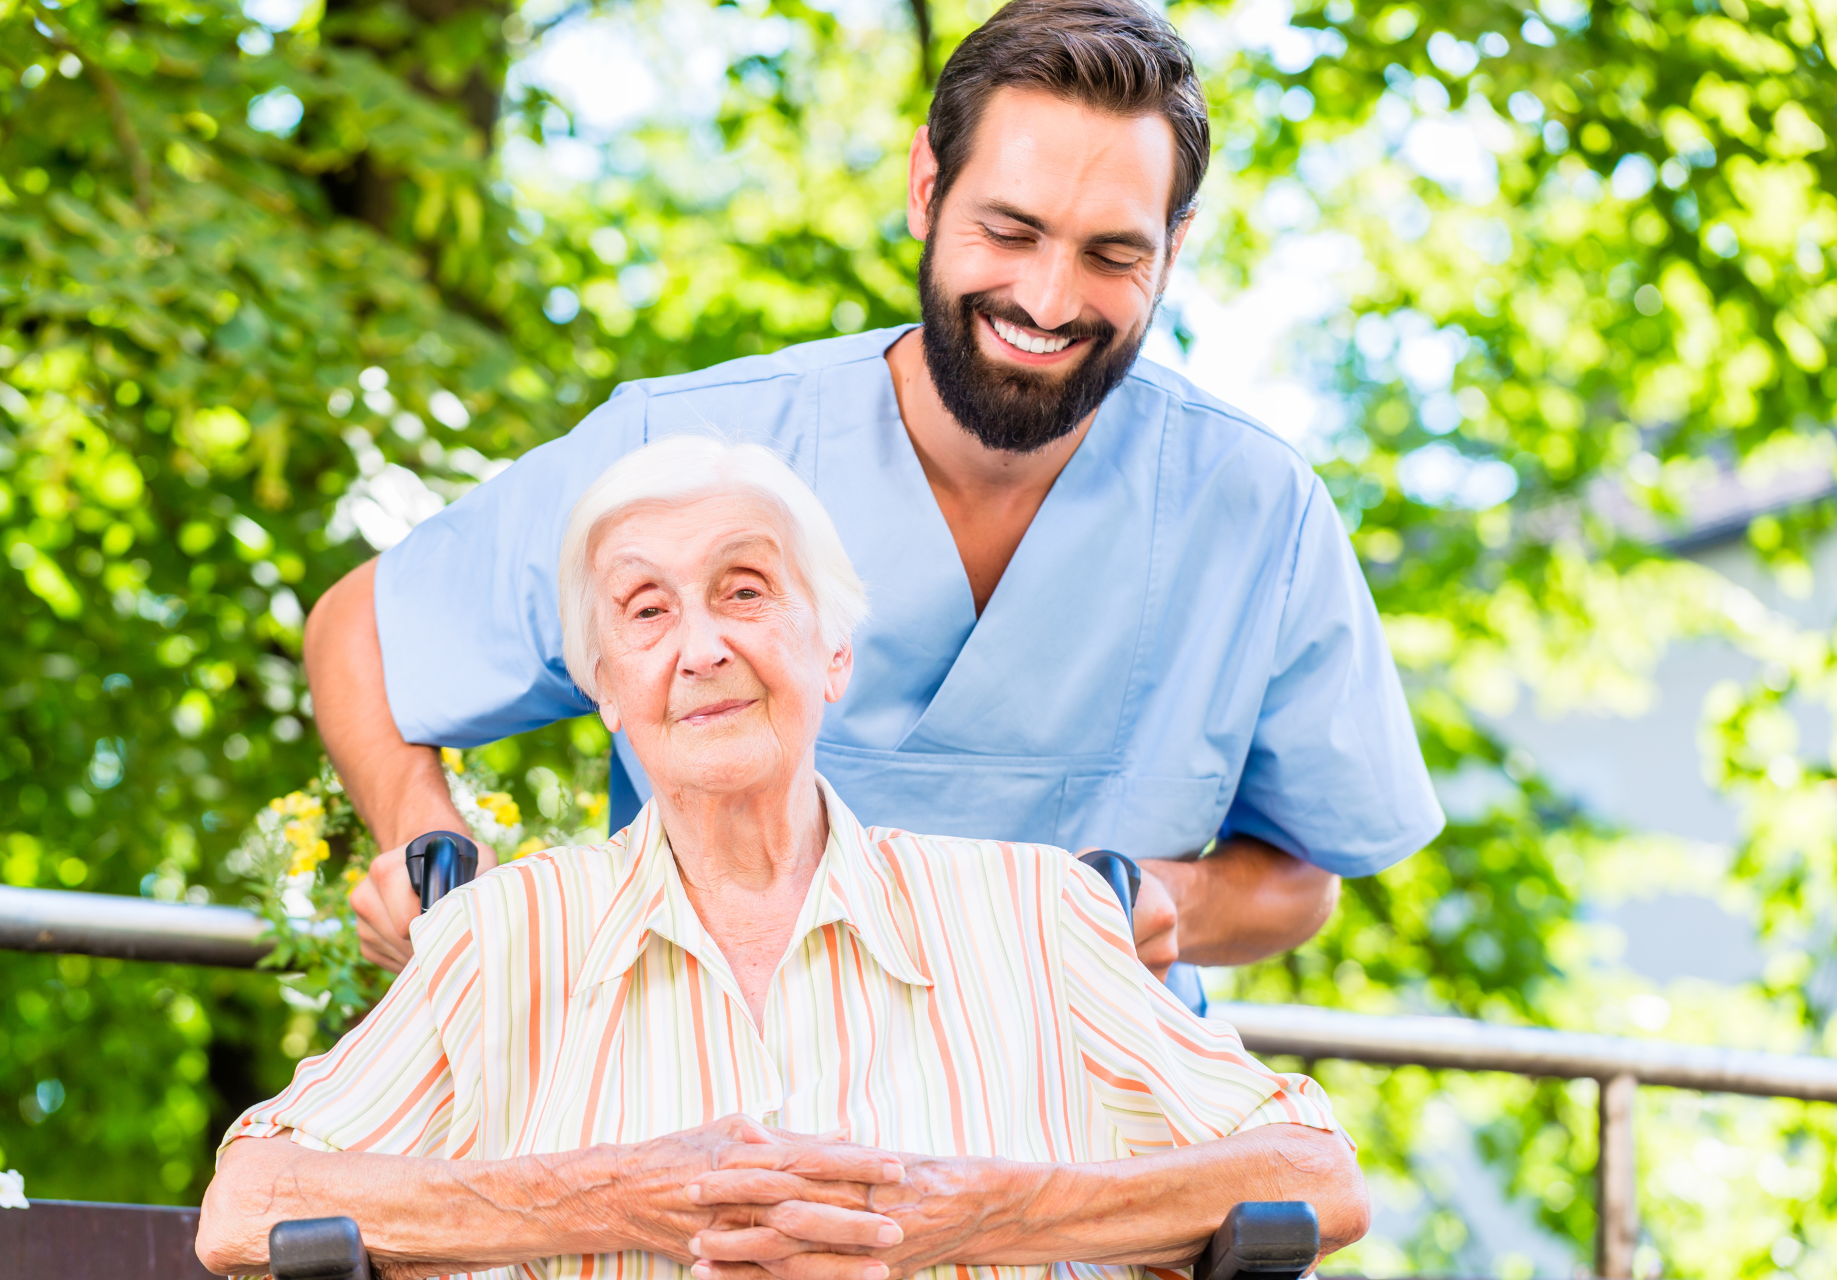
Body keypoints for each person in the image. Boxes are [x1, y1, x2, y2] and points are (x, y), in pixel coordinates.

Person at [307, 0, 1444, 991]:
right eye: (1010, 229)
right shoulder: (690, 443)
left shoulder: (1257, 511)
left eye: (1112, 253)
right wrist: (425, 844)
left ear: (1175, 248)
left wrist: (1160, 908)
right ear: (925, 187)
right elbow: (364, 627)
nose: (1048, 298)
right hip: (720, 1118)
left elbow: (1302, 877)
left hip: (1086, 1145)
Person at [196, 438, 1369, 1280]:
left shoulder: (1033, 913)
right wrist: (620, 1196)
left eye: (745, 591)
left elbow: (1316, 1175)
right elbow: (250, 1203)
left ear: (833, 649)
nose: (701, 646)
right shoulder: (508, 937)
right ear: (607, 691)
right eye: (645, 613)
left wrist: (970, 1212)